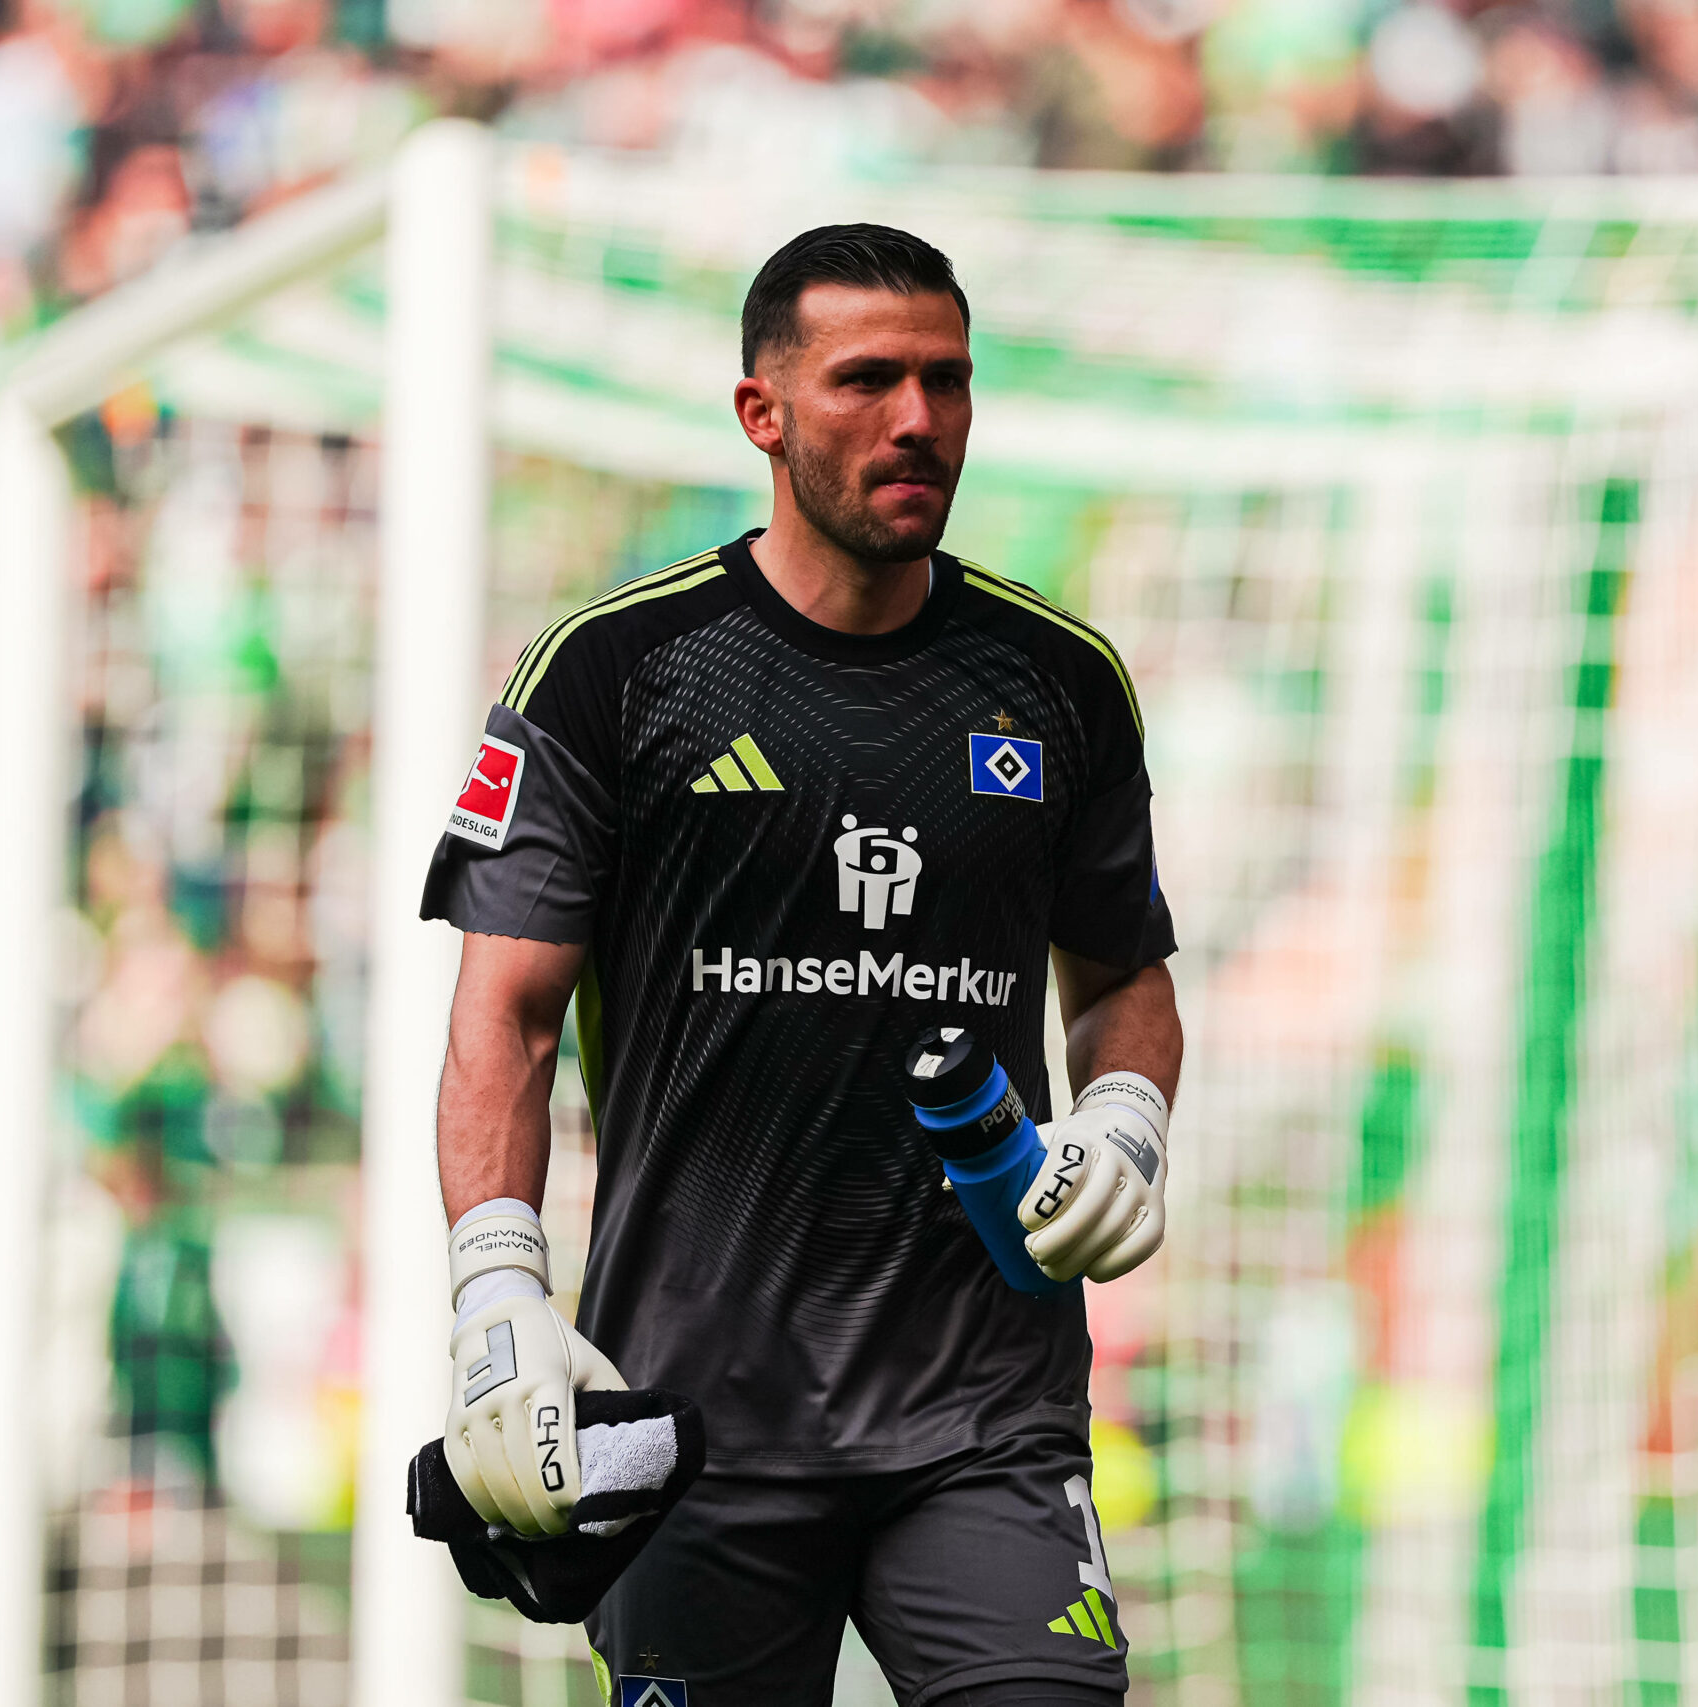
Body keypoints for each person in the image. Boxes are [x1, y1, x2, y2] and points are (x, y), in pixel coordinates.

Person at [420, 224, 1182, 1706]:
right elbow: (500, 1021)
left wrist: (1128, 1119)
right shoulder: (613, 673)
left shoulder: (1061, 682)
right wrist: (497, 1299)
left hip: (986, 1415)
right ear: (760, 413)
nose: (918, 420)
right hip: (700, 1418)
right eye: (869, 381)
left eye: (947, 381)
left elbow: (1125, 979)